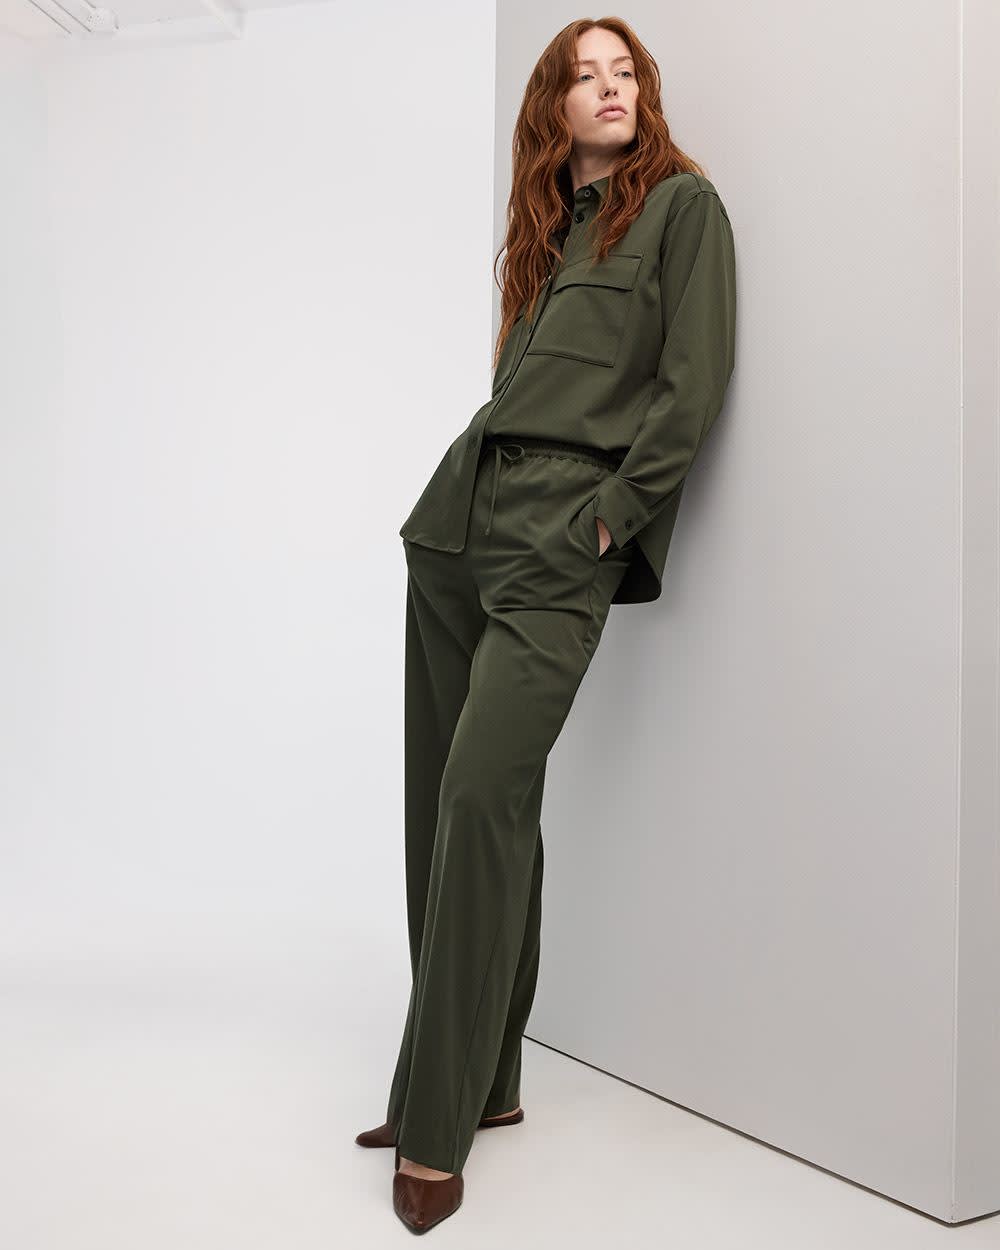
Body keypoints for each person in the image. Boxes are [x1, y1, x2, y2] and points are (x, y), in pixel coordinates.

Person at [356, 15, 737, 1233]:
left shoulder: (681, 209)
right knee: (444, 810)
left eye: (625, 71)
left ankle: (433, 1123)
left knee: (483, 795)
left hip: (556, 542)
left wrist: (607, 522)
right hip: (455, 528)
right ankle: (481, 1079)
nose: (610, 87)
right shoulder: (543, 230)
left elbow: (691, 387)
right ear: (552, 106)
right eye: (585, 74)